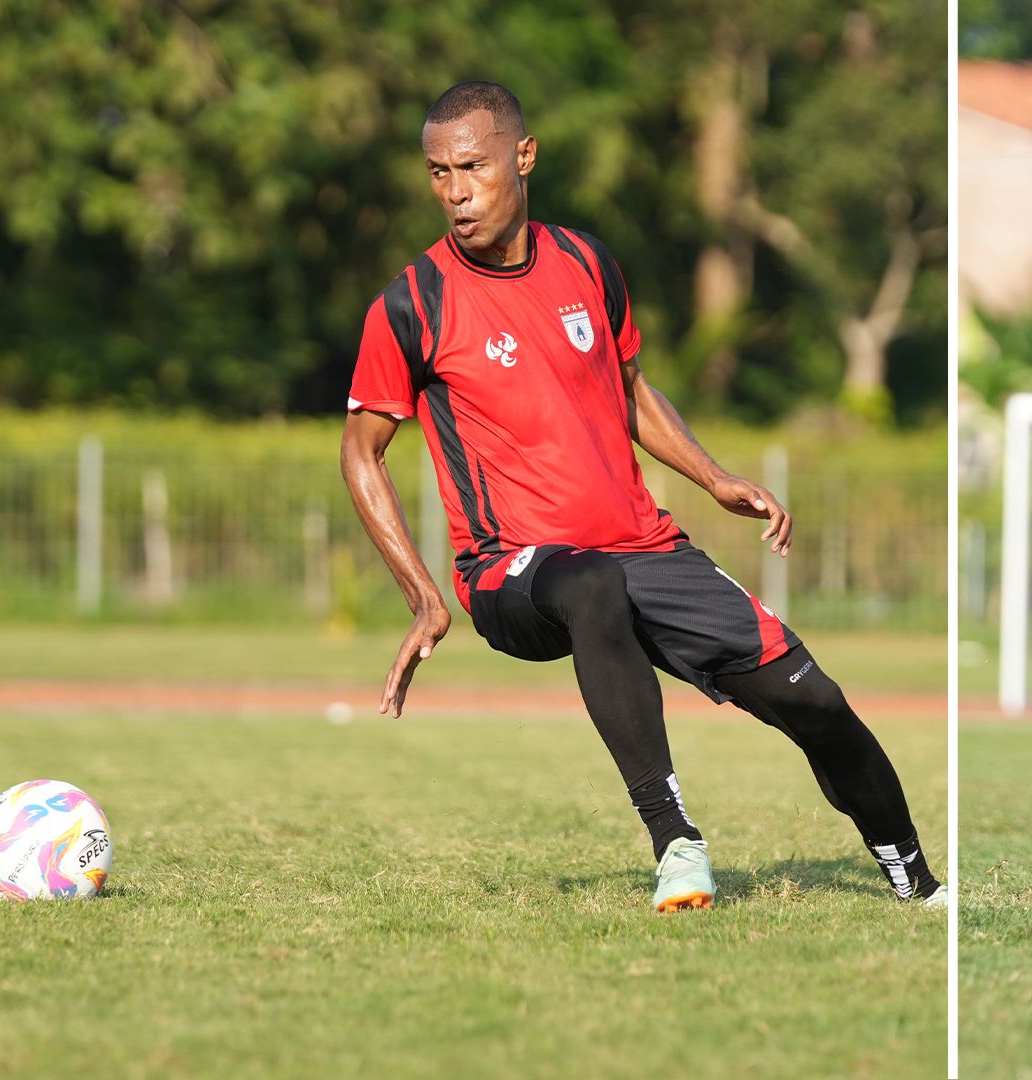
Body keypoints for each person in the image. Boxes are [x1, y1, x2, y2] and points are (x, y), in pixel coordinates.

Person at [341, 81, 941, 913]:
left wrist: (714, 476)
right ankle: (676, 840)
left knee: (818, 704)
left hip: (645, 548)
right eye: (437, 172)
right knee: (591, 585)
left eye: (472, 167)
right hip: (512, 570)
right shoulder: (413, 303)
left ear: (524, 157)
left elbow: (629, 392)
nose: (454, 192)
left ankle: (917, 883)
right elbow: (360, 453)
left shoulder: (588, 264)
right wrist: (422, 595)